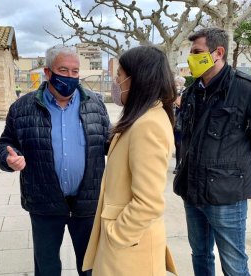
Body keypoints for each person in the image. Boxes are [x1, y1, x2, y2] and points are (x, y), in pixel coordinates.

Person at [174, 28, 251, 276]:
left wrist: (244, 177)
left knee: (234, 264)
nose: (191, 58)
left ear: (218, 53)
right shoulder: (192, 93)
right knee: (200, 256)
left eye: (197, 52)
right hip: (192, 192)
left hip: (227, 197)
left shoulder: (249, 89)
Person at [0, 44, 110, 276]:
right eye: (63, 70)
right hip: (44, 202)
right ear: (48, 72)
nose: (70, 77)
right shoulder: (22, 108)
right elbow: (5, 144)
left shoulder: (96, 104)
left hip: (87, 202)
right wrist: (9, 159)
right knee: (46, 266)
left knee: (90, 266)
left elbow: (108, 143)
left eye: (75, 71)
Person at [82, 45, 178, 276]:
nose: (116, 82)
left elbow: (148, 201)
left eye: (119, 75)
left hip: (129, 249)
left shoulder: (148, 124)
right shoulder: (143, 117)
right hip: (127, 246)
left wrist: (118, 234)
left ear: (136, 80)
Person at [173, 75, 186, 174]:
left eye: (177, 84)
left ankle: (178, 164)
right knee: (174, 143)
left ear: (181, 85)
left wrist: (178, 101)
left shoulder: (185, 93)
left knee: (178, 144)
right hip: (171, 121)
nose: (175, 85)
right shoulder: (171, 93)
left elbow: (182, 105)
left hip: (180, 122)